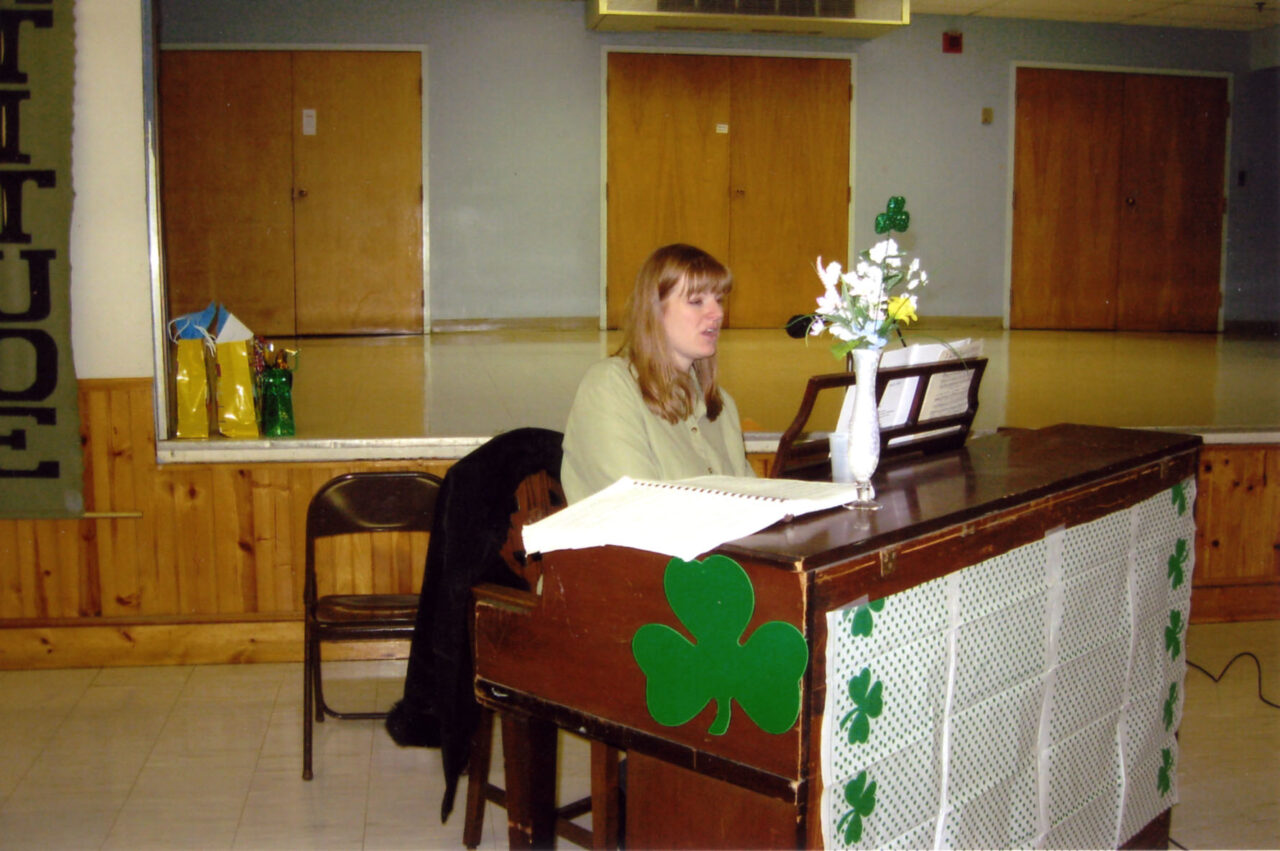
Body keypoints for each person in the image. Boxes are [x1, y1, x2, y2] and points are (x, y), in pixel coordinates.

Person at [561, 243, 753, 502]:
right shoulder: (609, 387)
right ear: (655, 311)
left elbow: (755, 501)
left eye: (718, 300)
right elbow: (636, 507)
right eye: (697, 301)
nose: (717, 313)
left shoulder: (722, 406)